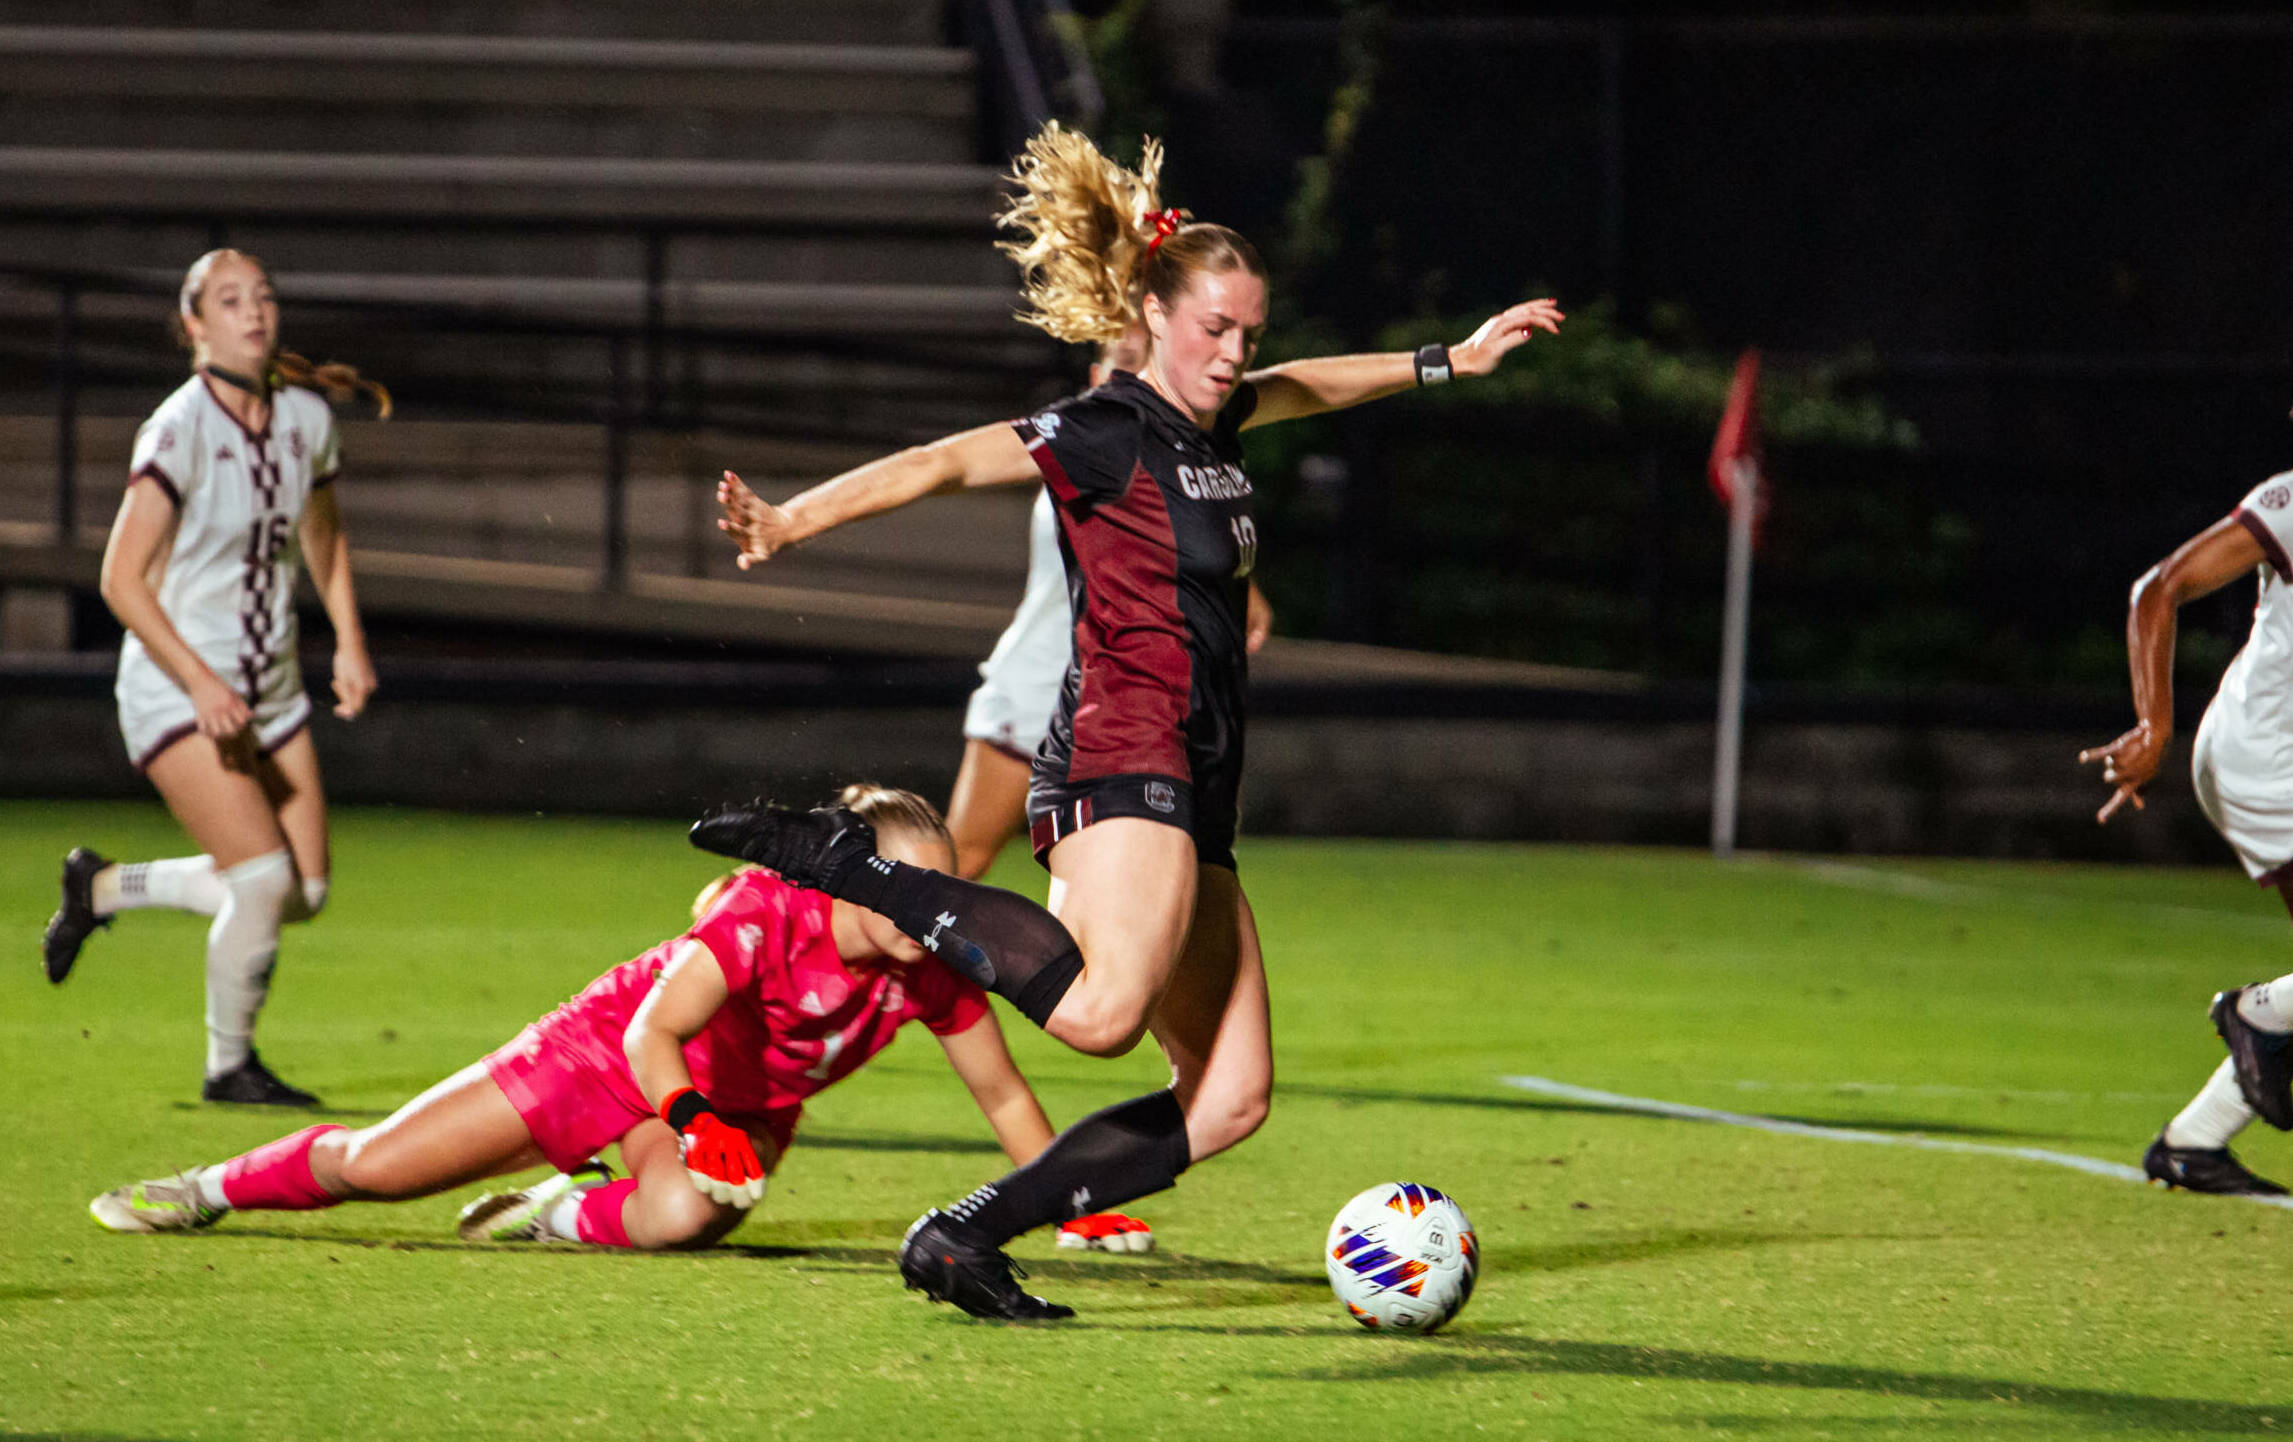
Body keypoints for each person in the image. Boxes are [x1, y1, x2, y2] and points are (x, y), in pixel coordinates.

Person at [698, 123, 1564, 1318]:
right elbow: (945, 464)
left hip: (1199, 780)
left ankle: (964, 1240)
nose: (1233, 352)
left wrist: (1446, 363)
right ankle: (851, 867)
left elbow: (1302, 388)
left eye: (1248, 331)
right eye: (1214, 328)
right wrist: (793, 521)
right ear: (1154, 313)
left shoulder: (1212, 423)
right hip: (1121, 748)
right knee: (1102, 1016)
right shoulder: (1104, 426)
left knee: (1230, 1099)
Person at [87, 786, 1094, 1255]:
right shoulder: (765, 912)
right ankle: (207, 1187)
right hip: (612, 1055)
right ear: (851, 872)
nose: (936, 906)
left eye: (944, 886)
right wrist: (700, 1123)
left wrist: (1071, 1202)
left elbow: (1001, 1093)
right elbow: (651, 1033)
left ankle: (556, 1213)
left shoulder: (932, 966)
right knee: (379, 1169)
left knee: (687, 1218)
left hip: (713, 1114)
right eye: (911, 885)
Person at [42, 248, 389, 1107]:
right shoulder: (178, 427)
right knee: (262, 882)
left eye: (262, 296)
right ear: (195, 327)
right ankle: (227, 1066)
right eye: (230, 301)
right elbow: (120, 579)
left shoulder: (305, 416)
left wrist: (348, 640)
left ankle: (101, 888)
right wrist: (198, 683)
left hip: (268, 687)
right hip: (177, 686)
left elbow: (325, 537)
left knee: (301, 890)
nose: (254, 312)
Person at [947, 319, 1274, 884]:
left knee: (1168, 878)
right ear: (1098, 379)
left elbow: (1176, 547)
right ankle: (852, 957)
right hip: (1036, 693)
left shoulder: (1161, 464)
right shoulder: (1087, 461)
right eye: (1122, 363)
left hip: (1121, 709)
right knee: (957, 866)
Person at [2082, 468, 2293, 1196]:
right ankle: (2254, 1015)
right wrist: (2152, 724)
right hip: (2264, 758)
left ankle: (2192, 1142)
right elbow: (2157, 589)